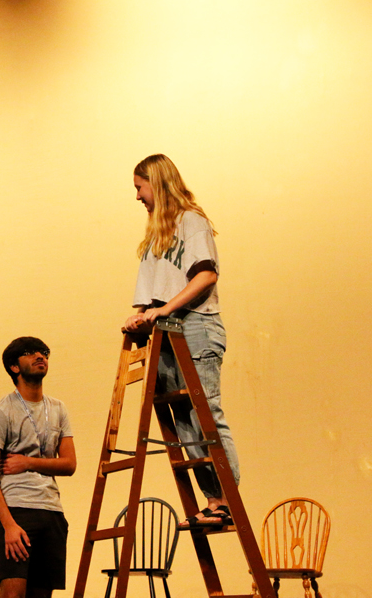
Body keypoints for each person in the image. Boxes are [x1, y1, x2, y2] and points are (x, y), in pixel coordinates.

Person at [123, 153, 239, 528]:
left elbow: (206, 275)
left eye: (140, 187)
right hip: (166, 331)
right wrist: (139, 315)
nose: (137, 196)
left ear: (156, 182)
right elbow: (146, 297)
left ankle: (227, 498)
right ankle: (212, 500)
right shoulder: (154, 236)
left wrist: (164, 309)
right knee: (182, 417)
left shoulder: (192, 221)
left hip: (195, 326)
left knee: (205, 411)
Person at [0, 337, 76, 598]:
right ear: (14, 367)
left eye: (43, 352)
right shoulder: (1, 411)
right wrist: (8, 524)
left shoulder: (58, 408)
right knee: (13, 594)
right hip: (17, 511)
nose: (40, 356)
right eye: (30, 353)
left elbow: (69, 464)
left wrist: (28, 462)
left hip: (52, 512)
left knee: (42, 595)